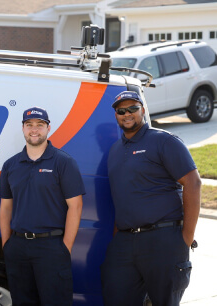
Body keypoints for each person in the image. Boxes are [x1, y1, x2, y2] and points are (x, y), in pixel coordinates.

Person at [101, 91, 201, 306]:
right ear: (116, 115)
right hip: (125, 242)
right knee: (115, 297)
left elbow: (193, 183)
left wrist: (186, 237)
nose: (127, 114)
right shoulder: (115, 151)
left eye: (133, 109)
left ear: (143, 110)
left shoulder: (163, 140)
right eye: (121, 110)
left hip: (164, 239)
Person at [0, 106, 85, 305]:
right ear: (23, 128)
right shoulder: (11, 165)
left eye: (39, 125)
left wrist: (65, 248)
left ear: (48, 128)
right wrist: (7, 245)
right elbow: (5, 207)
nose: (34, 130)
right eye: (29, 125)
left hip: (51, 246)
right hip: (18, 247)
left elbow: (76, 206)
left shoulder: (63, 162)